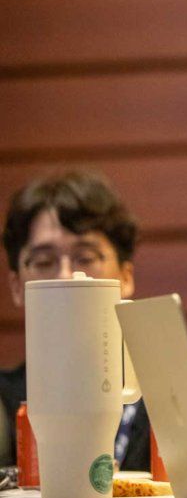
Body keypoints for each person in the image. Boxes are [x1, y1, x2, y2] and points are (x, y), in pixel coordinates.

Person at [1, 170, 149, 471]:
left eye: (86, 257)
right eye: (44, 262)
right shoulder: (4, 403)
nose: (65, 276)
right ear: (17, 286)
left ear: (125, 276)